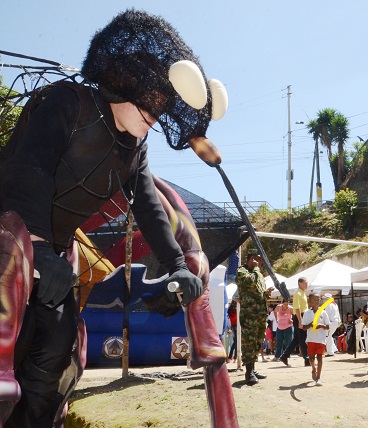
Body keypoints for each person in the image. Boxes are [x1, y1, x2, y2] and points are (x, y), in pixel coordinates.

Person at [0, 10, 227, 426]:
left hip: (52, 260)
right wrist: (34, 244)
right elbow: (26, 170)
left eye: (163, 106)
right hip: (10, 247)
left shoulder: (135, 150)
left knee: (55, 352)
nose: (156, 113)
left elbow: (149, 205)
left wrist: (177, 265)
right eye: (153, 99)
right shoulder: (68, 104)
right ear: (127, 84)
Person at [235, 249, 274, 385]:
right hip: (249, 315)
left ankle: (253, 369)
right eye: (258, 259)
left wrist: (266, 293)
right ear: (252, 259)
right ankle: (248, 372)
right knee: (248, 343)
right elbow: (249, 282)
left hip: (260, 314)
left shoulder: (259, 275)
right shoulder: (242, 271)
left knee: (257, 342)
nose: (260, 263)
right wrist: (256, 270)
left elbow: (258, 292)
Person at [280, 277, 310, 367]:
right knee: (303, 338)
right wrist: (300, 321)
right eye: (305, 283)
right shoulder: (298, 294)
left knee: (297, 338)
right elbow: (297, 308)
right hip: (299, 316)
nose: (307, 284)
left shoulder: (303, 293)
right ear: (300, 283)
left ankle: (284, 356)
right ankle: (306, 358)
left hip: (303, 316)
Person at [302, 293, 330, 386]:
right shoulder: (307, 313)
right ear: (310, 301)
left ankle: (318, 377)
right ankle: (313, 368)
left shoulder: (323, 312)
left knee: (319, 357)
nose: (317, 302)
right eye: (314, 300)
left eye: (318, 300)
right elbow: (304, 327)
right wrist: (311, 325)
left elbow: (328, 326)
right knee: (311, 358)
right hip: (311, 339)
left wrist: (321, 325)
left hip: (321, 339)